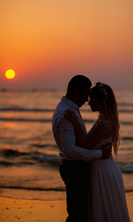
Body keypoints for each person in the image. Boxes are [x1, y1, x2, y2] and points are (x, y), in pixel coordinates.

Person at [64, 82, 131, 222]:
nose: (89, 103)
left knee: (103, 208)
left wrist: (76, 123)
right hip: (103, 166)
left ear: (100, 101)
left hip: (102, 170)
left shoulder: (104, 123)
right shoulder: (103, 120)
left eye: (92, 99)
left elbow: (86, 145)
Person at [52, 75, 111, 222]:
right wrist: (100, 153)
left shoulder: (70, 109)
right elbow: (70, 151)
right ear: (75, 91)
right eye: (86, 94)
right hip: (75, 169)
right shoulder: (66, 113)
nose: (87, 100)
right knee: (78, 215)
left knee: (80, 213)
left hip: (75, 168)